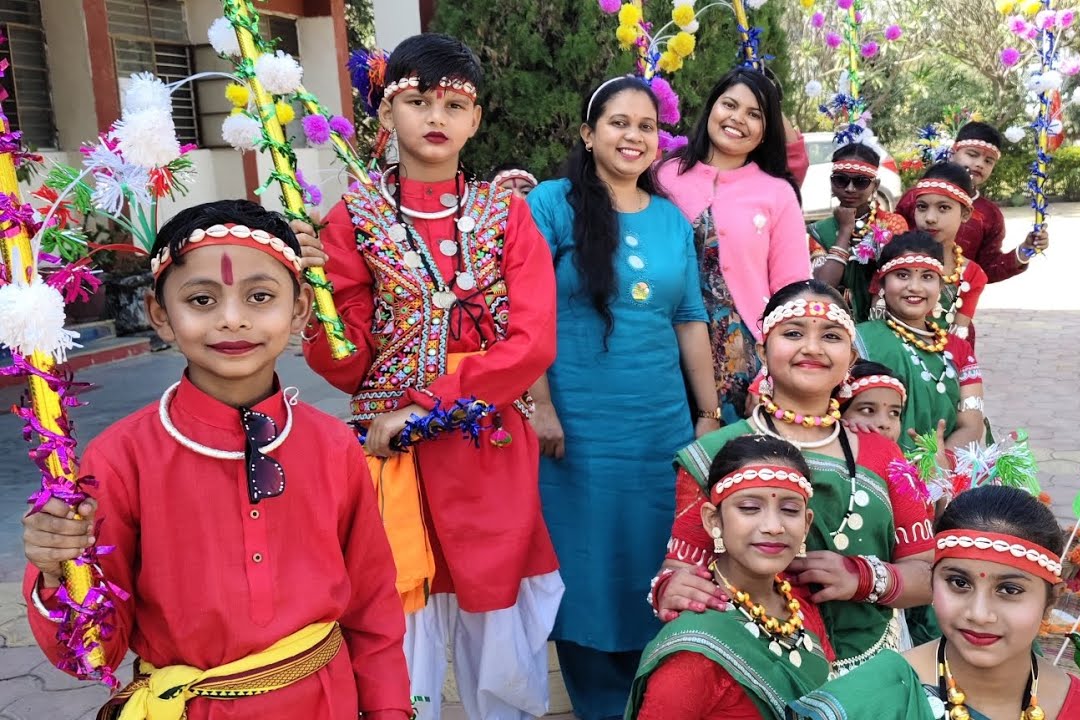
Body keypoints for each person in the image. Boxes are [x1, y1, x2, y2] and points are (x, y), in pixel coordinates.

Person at [21, 200, 410, 719]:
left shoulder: (334, 445)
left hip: (326, 703)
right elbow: (95, 651)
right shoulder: (119, 458)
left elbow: (373, 606)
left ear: (298, 309)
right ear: (161, 315)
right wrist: (55, 574)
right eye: (202, 299)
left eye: (260, 296)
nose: (232, 319)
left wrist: (389, 711)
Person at [299, 33, 562, 720]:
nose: (435, 115)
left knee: (499, 621)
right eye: (417, 101)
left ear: (476, 120)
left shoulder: (507, 215)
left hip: (487, 446)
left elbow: (532, 343)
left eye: (454, 102)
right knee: (398, 626)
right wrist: (314, 303)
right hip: (392, 461)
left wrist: (429, 405)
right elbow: (346, 361)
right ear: (388, 115)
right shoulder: (351, 219)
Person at [524, 75, 718, 720]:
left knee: (653, 553)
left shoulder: (670, 219)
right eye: (617, 123)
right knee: (586, 565)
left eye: (645, 126)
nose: (633, 136)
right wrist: (540, 404)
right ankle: (598, 706)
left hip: (658, 425)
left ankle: (656, 696)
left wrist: (709, 414)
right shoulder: (551, 206)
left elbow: (690, 319)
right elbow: (525, 313)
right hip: (577, 425)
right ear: (588, 134)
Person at [652, 280, 935, 677]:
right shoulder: (714, 454)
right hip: (754, 668)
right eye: (793, 333)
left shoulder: (883, 454)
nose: (813, 348)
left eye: (831, 336)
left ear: (851, 358)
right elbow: (679, 567)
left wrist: (863, 578)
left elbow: (927, 575)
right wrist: (672, 588)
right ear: (763, 350)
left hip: (869, 673)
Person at [791, 485, 1080, 720]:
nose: (979, 614)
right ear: (933, 581)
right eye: (959, 583)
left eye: (1010, 590)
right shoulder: (875, 697)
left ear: (1051, 600)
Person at [627, 435, 833, 719]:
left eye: (789, 509)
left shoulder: (798, 604)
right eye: (749, 507)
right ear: (713, 520)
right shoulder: (697, 651)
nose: (773, 526)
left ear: (806, 523)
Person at [656, 67, 811, 423]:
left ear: (765, 131)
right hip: (664, 345)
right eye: (730, 104)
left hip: (744, 360)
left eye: (754, 114)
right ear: (711, 108)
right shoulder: (665, 176)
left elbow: (792, 293)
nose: (737, 119)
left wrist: (771, 374)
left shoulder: (777, 193)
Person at [855, 232, 985, 454]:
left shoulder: (959, 350)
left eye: (927, 277)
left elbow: (972, 424)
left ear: (940, 285)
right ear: (881, 282)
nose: (915, 287)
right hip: (873, 469)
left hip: (944, 474)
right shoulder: (857, 341)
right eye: (903, 275)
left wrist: (942, 465)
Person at [898, 122, 1050, 286]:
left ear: (966, 213)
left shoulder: (990, 215)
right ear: (953, 152)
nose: (979, 164)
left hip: (957, 302)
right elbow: (892, 241)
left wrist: (1024, 251)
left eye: (988, 161)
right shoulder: (915, 197)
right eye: (972, 154)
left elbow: (987, 269)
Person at [809, 143, 909, 321]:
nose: (849, 188)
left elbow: (900, 278)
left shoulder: (892, 224)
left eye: (860, 182)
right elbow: (822, 285)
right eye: (841, 180)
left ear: (875, 185)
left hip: (885, 319)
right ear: (831, 182)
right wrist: (845, 230)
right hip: (836, 320)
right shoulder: (820, 230)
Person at [902, 163, 987, 339]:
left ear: (965, 214)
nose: (930, 218)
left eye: (943, 208)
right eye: (922, 207)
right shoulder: (896, 261)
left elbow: (958, 336)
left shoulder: (971, 274)